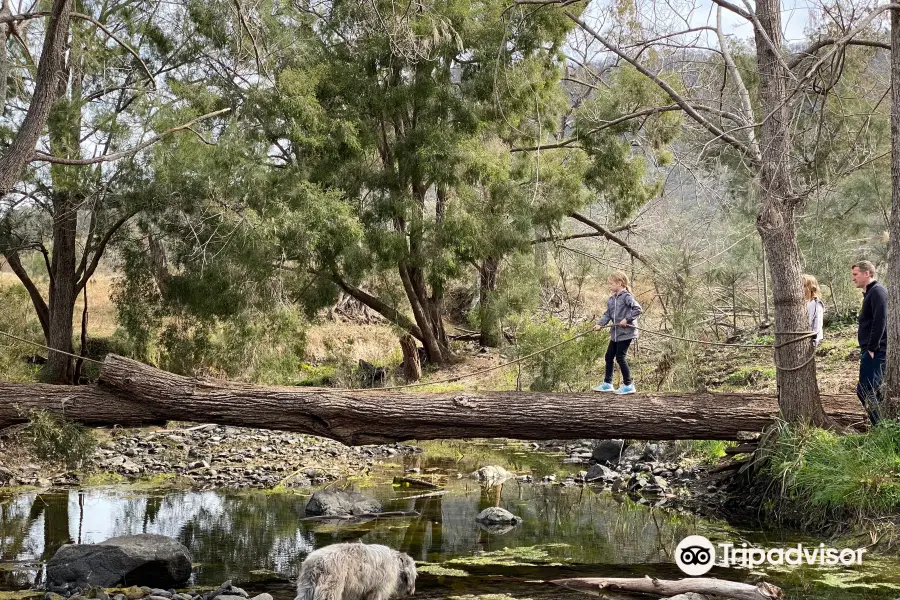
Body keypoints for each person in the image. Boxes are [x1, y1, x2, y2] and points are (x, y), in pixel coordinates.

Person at [592, 270, 643, 394]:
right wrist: (600, 324)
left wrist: (627, 319)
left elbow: (638, 309)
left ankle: (628, 385)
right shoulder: (611, 299)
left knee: (620, 357)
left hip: (626, 333)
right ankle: (608, 384)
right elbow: (608, 314)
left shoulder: (627, 297)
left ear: (620, 283)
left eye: (611, 284)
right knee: (609, 356)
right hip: (615, 334)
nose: (609, 286)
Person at [851, 260, 887, 425]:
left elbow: (880, 321)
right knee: (873, 391)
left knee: (865, 390)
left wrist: (872, 347)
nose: (853, 279)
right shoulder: (870, 293)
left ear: (867, 273)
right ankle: (882, 424)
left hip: (876, 351)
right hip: (872, 349)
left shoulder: (878, 292)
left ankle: (880, 427)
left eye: (855, 274)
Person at [803, 274, 824, 346]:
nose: (801, 288)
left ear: (811, 287)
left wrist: (815, 339)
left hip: (810, 339)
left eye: (804, 286)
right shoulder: (803, 303)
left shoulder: (816, 303)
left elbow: (818, 322)